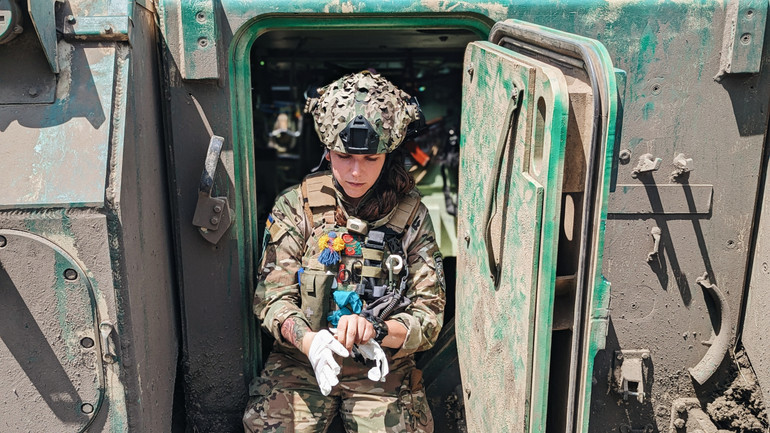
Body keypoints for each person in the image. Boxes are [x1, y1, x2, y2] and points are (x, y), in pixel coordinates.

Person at [243, 71, 446, 433]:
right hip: (302, 362)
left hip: (382, 365)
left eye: (371, 159)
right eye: (343, 156)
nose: (356, 172)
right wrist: (311, 342)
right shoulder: (297, 206)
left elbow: (429, 314)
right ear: (326, 149)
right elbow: (271, 298)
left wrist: (378, 330)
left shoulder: (411, 214)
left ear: (389, 154)